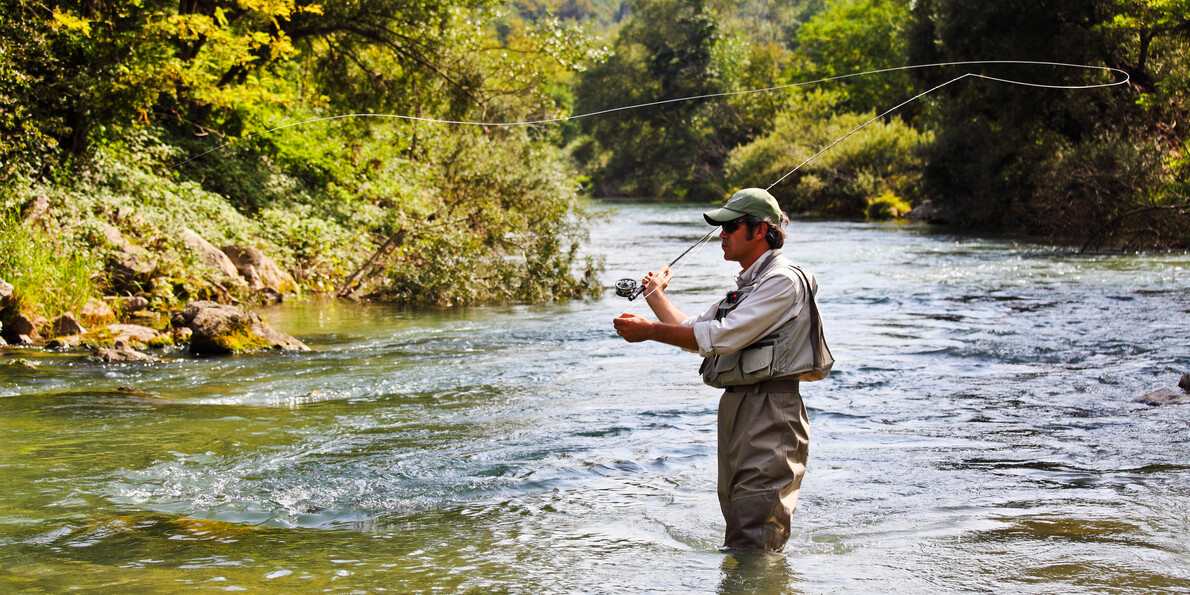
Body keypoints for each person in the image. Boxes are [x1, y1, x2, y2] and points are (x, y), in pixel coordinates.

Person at [613, 187, 832, 552]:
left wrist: (650, 333)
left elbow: (720, 338)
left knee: (754, 537)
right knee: (740, 527)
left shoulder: (783, 281)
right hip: (738, 410)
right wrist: (654, 295)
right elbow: (691, 327)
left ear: (760, 231)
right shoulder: (750, 287)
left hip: (771, 412)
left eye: (730, 226)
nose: (722, 235)